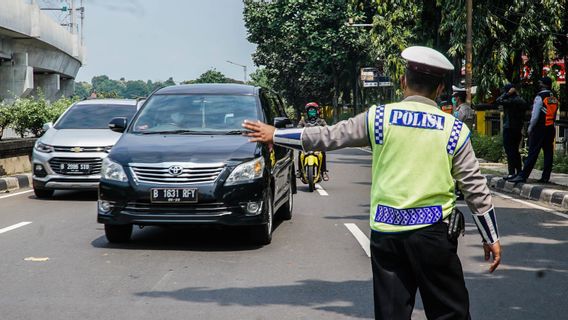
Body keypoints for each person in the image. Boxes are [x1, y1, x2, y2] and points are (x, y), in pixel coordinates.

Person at [243, 46, 501, 320]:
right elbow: (475, 188)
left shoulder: (379, 118)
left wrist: (277, 134)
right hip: (433, 236)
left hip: (387, 234)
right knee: (450, 314)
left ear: (403, 81)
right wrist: (491, 236)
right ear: (439, 89)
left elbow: (329, 136)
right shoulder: (454, 130)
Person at [510, 76, 559, 183]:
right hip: (550, 128)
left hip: (539, 128)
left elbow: (535, 115)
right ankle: (545, 177)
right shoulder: (554, 97)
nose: (539, 84)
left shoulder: (540, 97)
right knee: (548, 153)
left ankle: (523, 176)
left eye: (540, 83)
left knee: (533, 152)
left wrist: (530, 128)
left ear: (544, 84)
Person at [495, 83, 529, 180]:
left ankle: (511, 173)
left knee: (510, 151)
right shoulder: (520, 100)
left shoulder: (510, 101)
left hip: (510, 128)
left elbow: (498, 100)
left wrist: (507, 94)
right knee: (515, 151)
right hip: (518, 128)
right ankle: (518, 171)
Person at [297, 102, 329, 181]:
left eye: (313, 110)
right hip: (306, 143)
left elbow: (327, 129)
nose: (312, 112)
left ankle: (323, 171)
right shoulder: (303, 121)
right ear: (307, 112)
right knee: (300, 152)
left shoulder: (321, 121)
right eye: (310, 110)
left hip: (318, 143)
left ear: (317, 111)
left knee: (323, 152)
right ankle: (300, 171)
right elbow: (298, 129)